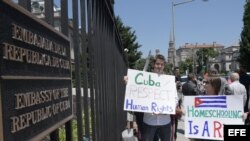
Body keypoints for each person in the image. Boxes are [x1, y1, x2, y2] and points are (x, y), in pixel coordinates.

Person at [140, 54, 179, 141]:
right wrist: (129, 81)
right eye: (157, 64)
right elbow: (137, 93)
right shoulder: (145, 79)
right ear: (153, 65)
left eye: (162, 64)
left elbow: (175, 99)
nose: (159, 66)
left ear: (164, 66)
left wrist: (165, 109)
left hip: (165, 121)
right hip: (149, 121)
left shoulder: (169, 81)